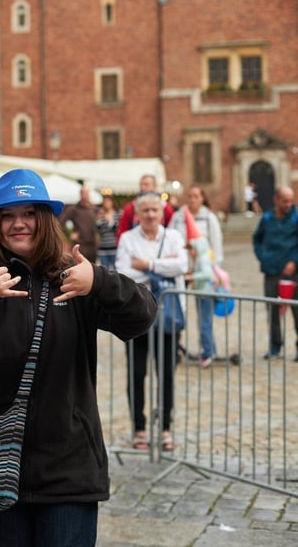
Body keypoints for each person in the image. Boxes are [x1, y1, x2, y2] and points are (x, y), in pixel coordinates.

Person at [0, 169, 156, 546]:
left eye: (29, 213)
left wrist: (99, 282)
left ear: (46, 219)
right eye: (8, 215)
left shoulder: (73, 277)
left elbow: (141, 318)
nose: (19, 223)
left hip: (69, 468)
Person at [116, 192, 188, 452]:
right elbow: (124, 273)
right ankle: (139, 428)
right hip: (135, 317)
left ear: (161, 213)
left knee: (166, 374)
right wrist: (162, 266)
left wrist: (146, 264)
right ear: (137, 213)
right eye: (145, 210)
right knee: (136, 374)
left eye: (154, 210)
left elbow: (182, 265)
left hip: (167, 315)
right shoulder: (127, 238)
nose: (149, 215)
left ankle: (166, 428)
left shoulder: (173, 237)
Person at [169, 185, 224, 364]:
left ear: (202, 198)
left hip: (201, 271)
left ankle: (207, 348)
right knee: (177, 310)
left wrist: (214, 269)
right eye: (190, 196)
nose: (192, 199)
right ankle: (174, 349)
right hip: (182, 270)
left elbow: (216, 245)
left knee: (204, 313)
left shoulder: (209, 218)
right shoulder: (178, 217)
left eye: (196, 196)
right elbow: (170, 238)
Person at [253, 186, 298, 361]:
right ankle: (275, 345)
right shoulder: (267, 219)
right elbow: (257, 239)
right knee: (272, 310)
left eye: (291, 201)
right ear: (276, 200)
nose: (288, 204)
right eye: (285, 201)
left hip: (293, 272)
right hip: (271, 271)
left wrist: (295, 261)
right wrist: (263, 257)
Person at [183, 208, 216, 367]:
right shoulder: (198, 259)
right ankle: (209, 349)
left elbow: (207, 274)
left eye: (191, 249)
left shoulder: (203, 259)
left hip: (205, 294)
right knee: (203, 322)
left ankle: (208, 352)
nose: (190, 253)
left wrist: (192, 277)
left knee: (204, 323)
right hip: (200, 293)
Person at [116, 174, 174, 242]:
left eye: (146, 184)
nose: (142, 188)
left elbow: (171, 228)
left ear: (154, 186)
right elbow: (122, 230)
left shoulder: (165, 207)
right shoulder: (130, 207)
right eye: (141, 185)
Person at [59, 184, 99, 262]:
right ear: (81, 194)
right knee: (81, 266)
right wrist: (69, 234)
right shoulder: (74, 209)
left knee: (93, 268)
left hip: (92, 245)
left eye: (87, 193)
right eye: (84, 193)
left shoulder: (93, 209)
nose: (86, 196)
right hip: (80, 245)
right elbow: (61, 221)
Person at [96, 193, 120, 271]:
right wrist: (98, 222)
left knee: (116, 271)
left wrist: (111, 222)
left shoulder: (118, 214)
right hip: (103, 248)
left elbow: (118, 230)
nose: (106, 203)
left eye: (108, 201)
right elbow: (99, 232)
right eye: (105, 202)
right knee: (104, 271)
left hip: (114, 248)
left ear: (112, 202)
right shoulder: (101, 215)